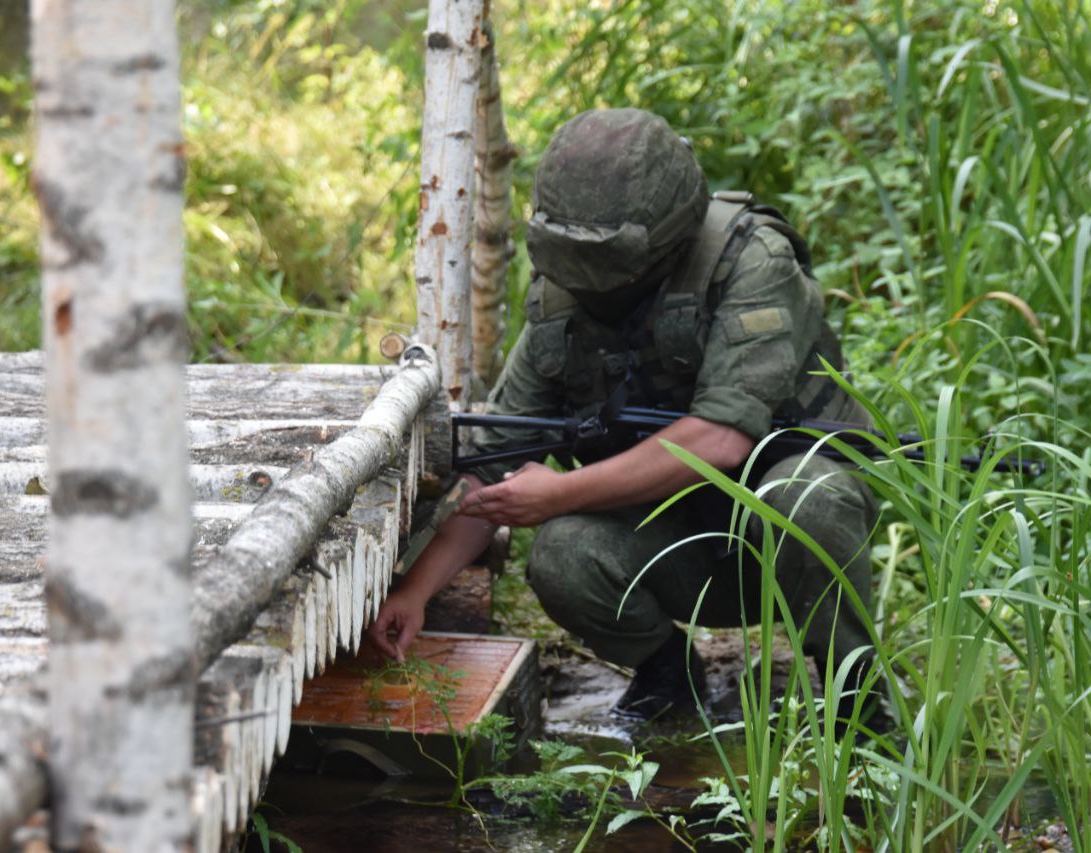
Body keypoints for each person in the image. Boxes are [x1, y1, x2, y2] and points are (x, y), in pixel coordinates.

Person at [367, 108, 880, 723]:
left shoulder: (750, 261)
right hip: (679, 545)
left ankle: (857, 697)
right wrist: (416, 591)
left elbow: (720, 438)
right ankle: (668, 674)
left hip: (784, 539)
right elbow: (492, 467)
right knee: (561, 554)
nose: (591, 281)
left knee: (806, 496)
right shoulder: (562, 304)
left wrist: (559, 492)